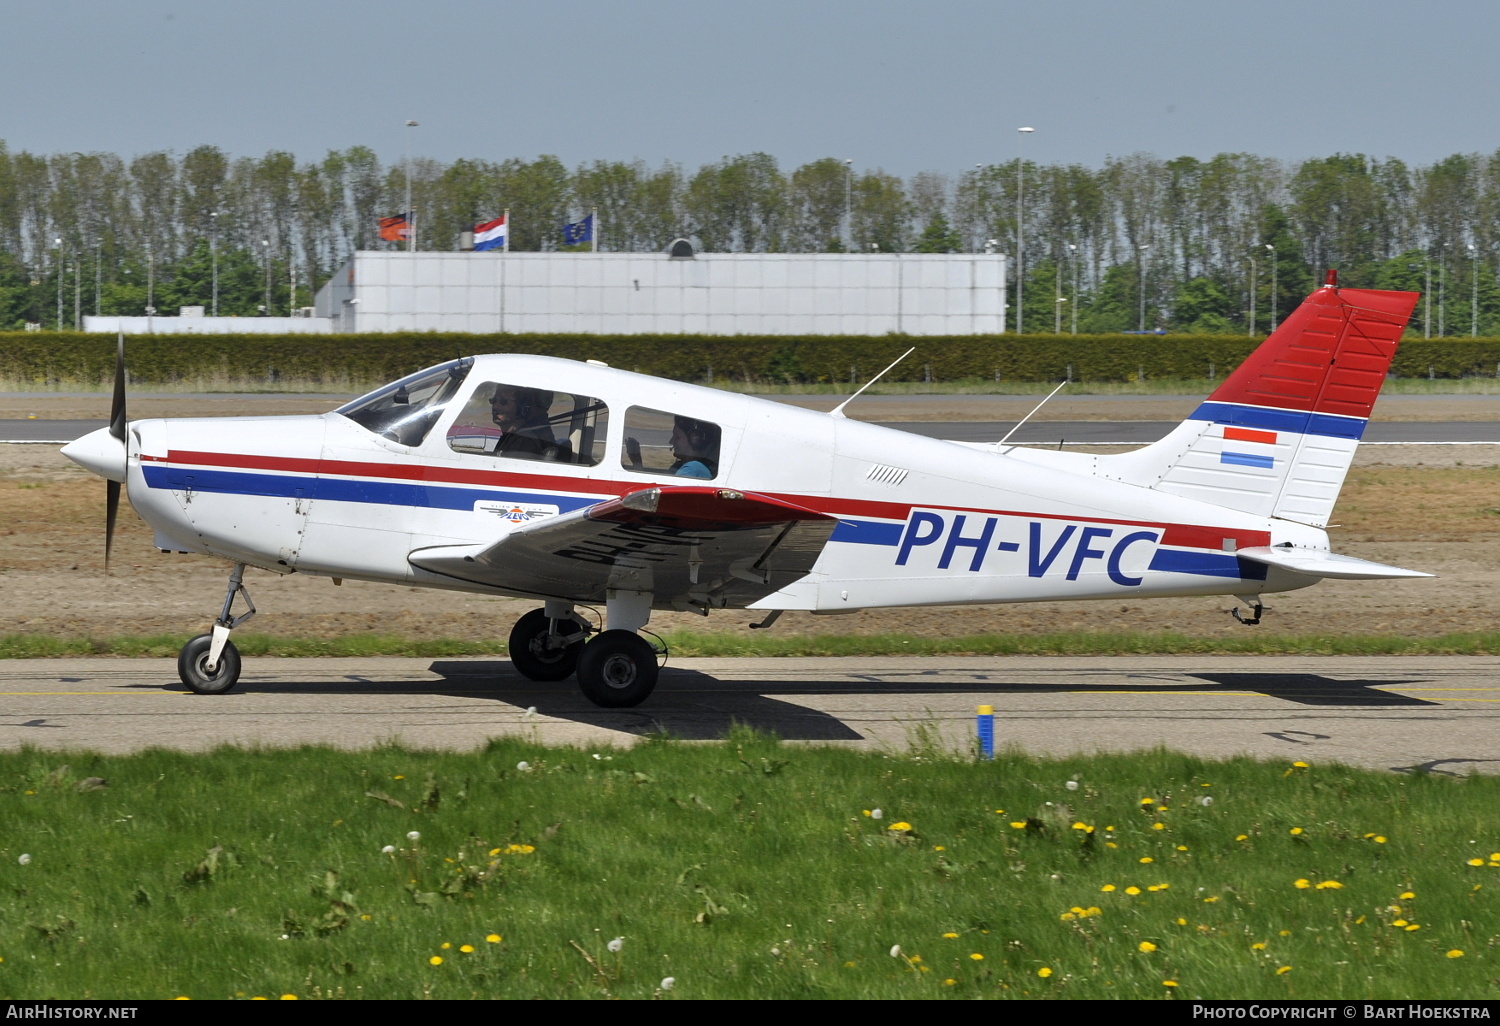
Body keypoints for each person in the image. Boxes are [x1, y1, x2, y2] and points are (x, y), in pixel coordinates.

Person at [489, 385, 566, 461]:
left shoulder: (524, 442)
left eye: (503, 401)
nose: (495, 406)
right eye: (494, 401)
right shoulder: (510, 437)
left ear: (521, 407)